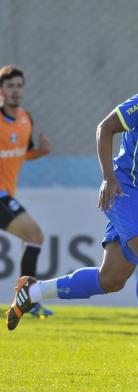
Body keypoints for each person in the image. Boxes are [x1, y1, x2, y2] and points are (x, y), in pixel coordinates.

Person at [6, 54, 138, 369]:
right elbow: (105, 128)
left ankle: (32, 292)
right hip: (123, 189)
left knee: (111, 279)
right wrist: (108, 177)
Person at [0, 65, 52, 318]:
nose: (15, 91)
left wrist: (39, 153)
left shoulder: (24, 119)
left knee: (34, 237)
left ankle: (25, 301)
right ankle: (26, 300)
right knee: (35, 234)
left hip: (6, 194)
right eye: (10, 86)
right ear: (1, 90)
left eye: (19, 86)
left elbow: (19, 155)